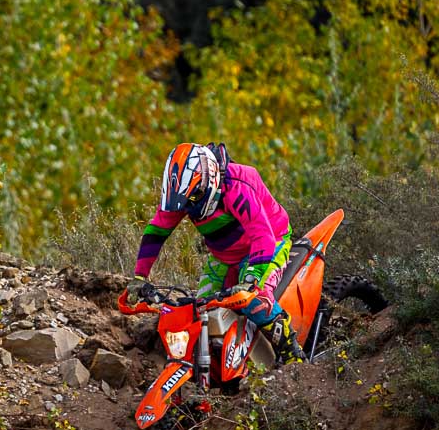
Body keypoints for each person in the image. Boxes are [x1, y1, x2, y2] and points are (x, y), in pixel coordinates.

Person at [126, 142, 305, 365]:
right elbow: (157, 232)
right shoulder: (184, 194)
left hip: (270, 241)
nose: (188, 207)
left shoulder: (236, 187)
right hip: (224, 254)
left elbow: (262, 235)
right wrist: (139, 276)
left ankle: (293, 356)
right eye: (185, 202)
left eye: (192, 200)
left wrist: (251, 279)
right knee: (200, 309)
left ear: (207, 182)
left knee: (255, 299)